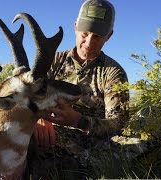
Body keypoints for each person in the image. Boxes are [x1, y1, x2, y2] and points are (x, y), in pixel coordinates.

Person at [33, 0, 129, 148]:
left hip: (88, 143)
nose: (89, 43)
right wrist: (39, 117)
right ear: (76, 27)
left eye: (97, 36)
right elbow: (30, 94)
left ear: (108, 36)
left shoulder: (113, 73)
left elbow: (118, 123)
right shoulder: (53, 60)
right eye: (85, 34)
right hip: (46, 131)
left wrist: (78, 121)